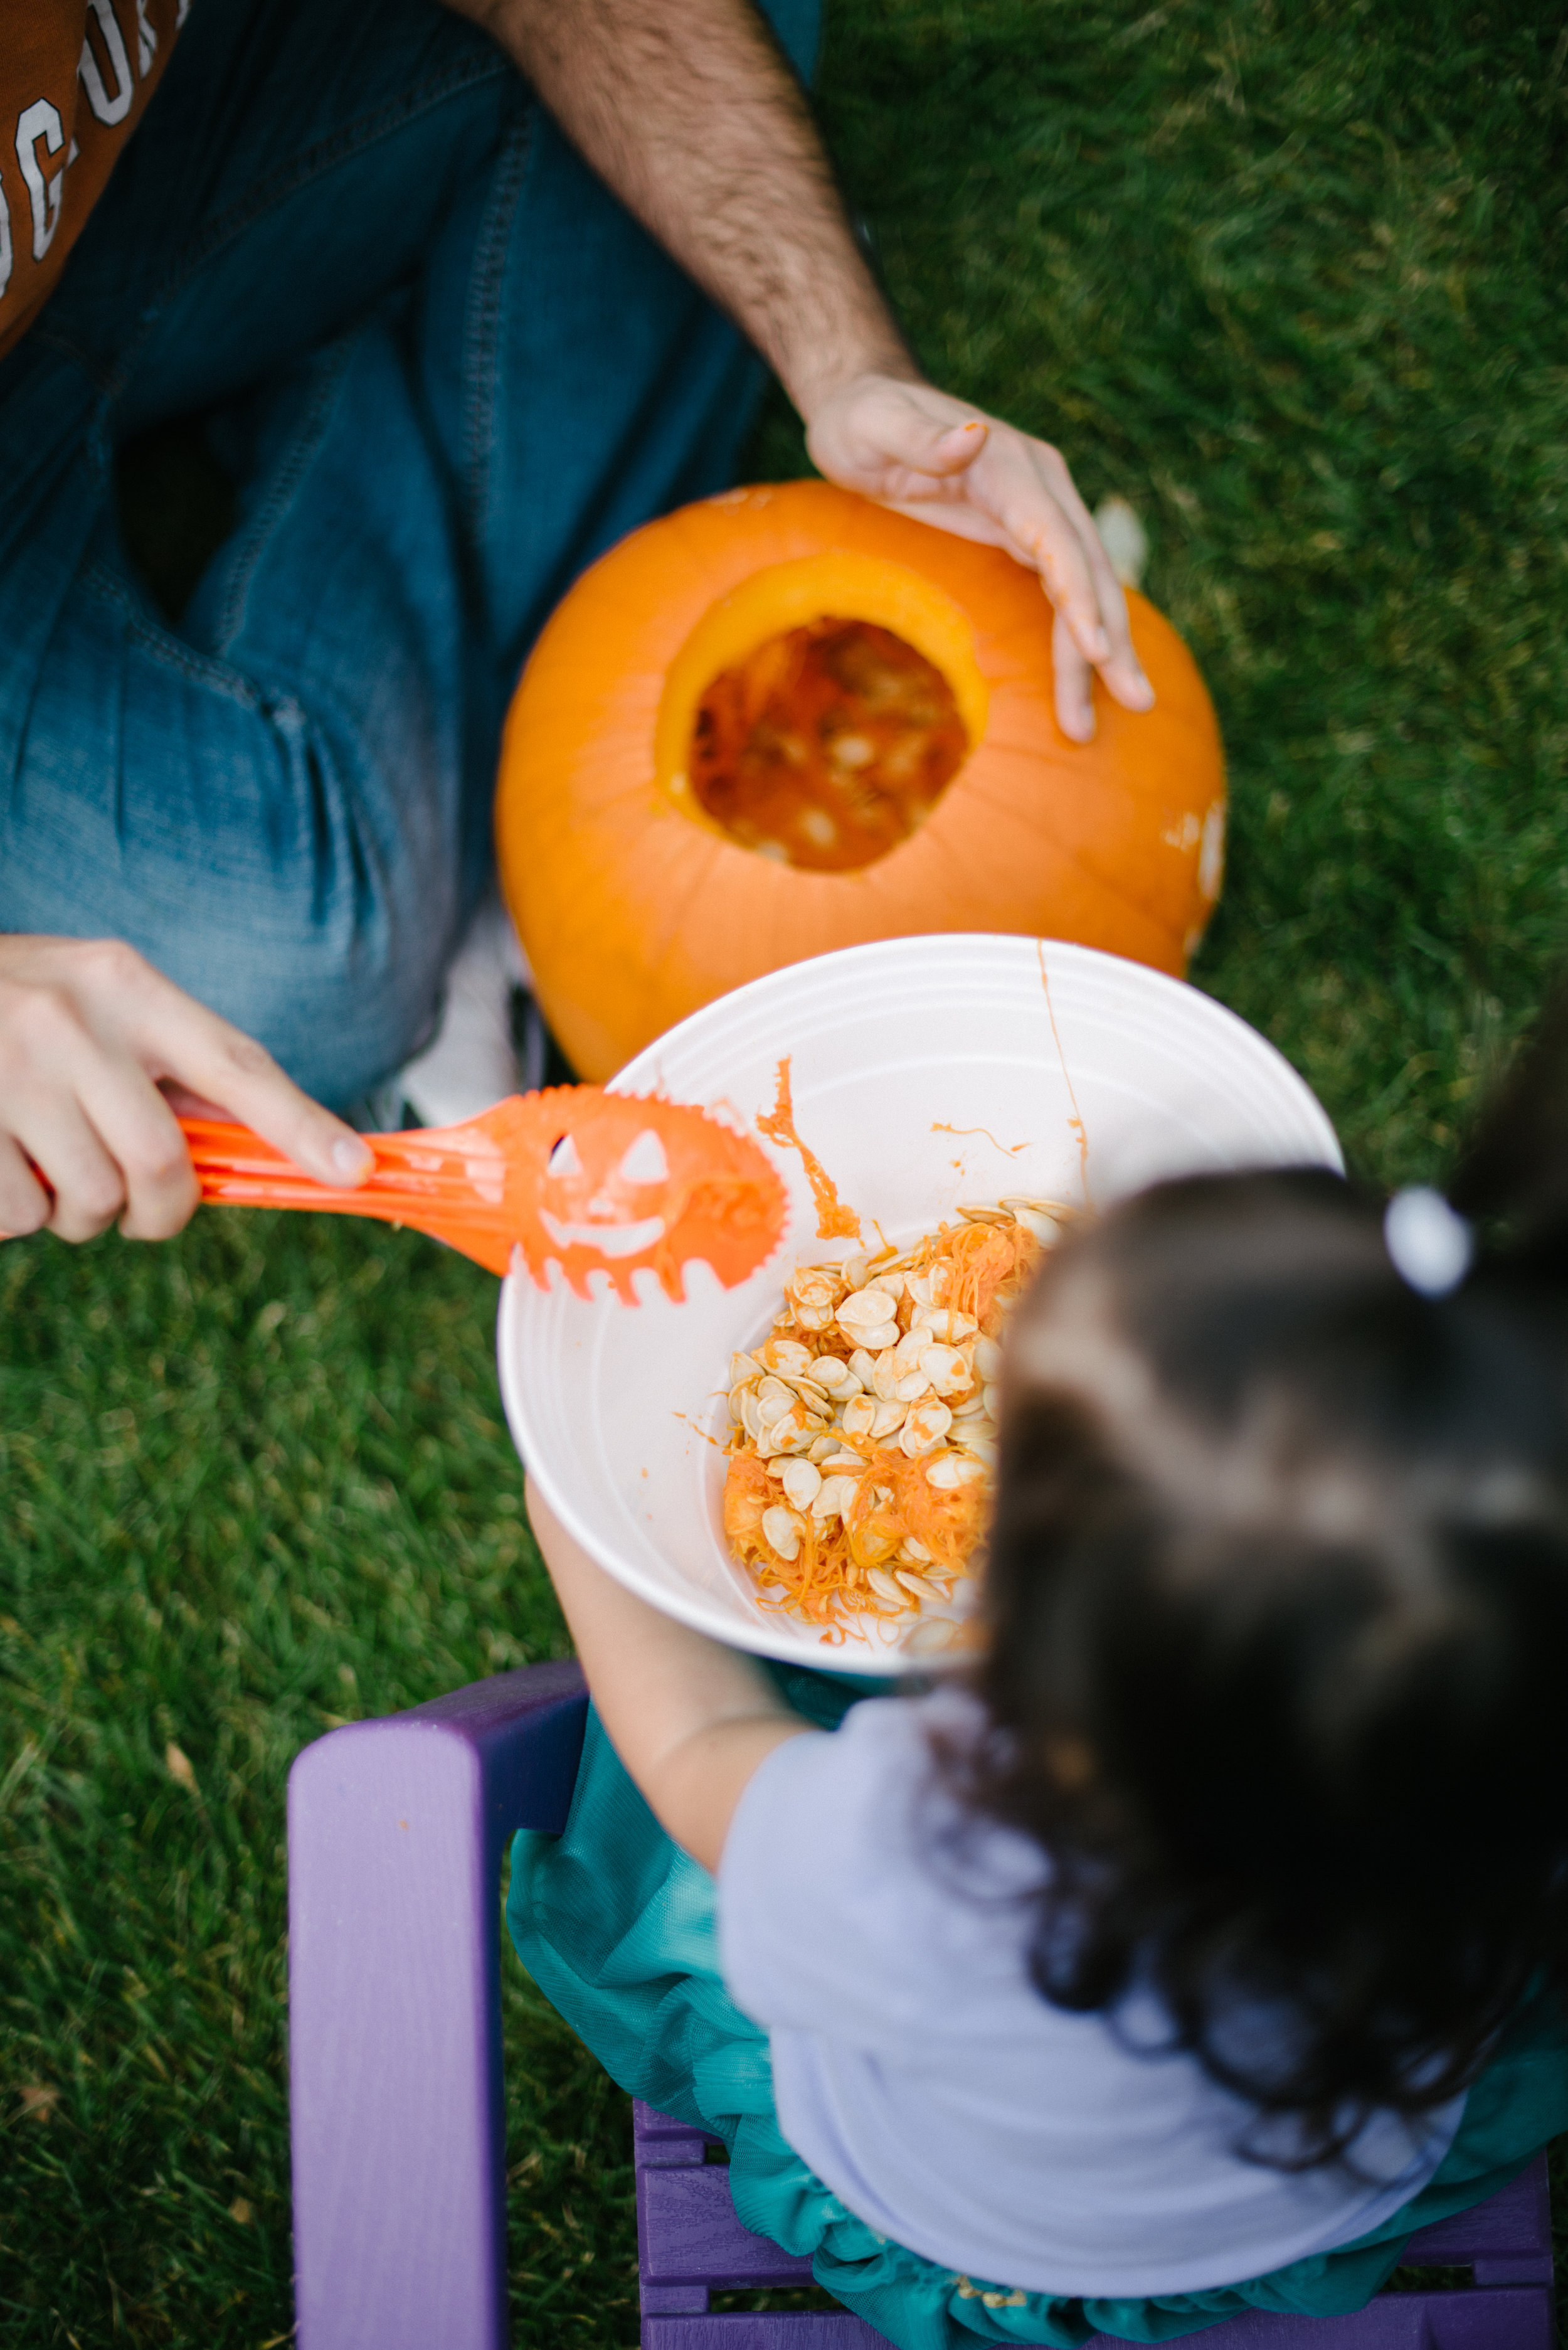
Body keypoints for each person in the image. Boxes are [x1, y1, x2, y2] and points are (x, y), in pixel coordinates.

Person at [0, 0, 1153, 1253]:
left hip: (139, 150)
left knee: (720, 67)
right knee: (291, 975)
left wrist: (842, 354)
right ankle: (456, 511)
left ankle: (446, 696)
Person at [509, 992, 1568, 2350]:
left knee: (664, 1847)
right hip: (1320, 2199)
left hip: (949, 2234)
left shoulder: (915, 1844)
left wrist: (575, 1495)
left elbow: (696, 1737)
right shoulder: (1508, 1808)